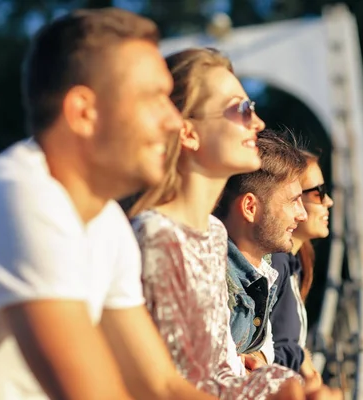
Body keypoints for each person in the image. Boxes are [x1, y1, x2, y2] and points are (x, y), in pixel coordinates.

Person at [0, 9, 224, 400]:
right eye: (155, 98)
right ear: (83, 113)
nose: (173, 120)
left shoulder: (107, 222)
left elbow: (160, 386)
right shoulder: (20, 195)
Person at [125, 48, 339, 400]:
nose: (257, 123)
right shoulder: (157, 237)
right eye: (241, 109)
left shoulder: (212, 235)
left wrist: (282, 387)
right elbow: (172, 388)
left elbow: (220, 374)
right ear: (188, 133)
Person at [213, 130, 309, 368]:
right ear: (249, 207)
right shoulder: (213, 277)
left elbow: (265, 344)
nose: (303, 214)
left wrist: (258, 362)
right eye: (293, 201)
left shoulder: (262, 272)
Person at [270, 149, 334, 379]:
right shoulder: (275, 264)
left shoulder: (291, 265)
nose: (329, 201)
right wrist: (301, 357)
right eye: (319, 193)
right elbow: (261, 352)